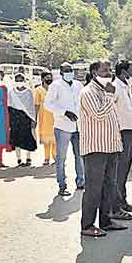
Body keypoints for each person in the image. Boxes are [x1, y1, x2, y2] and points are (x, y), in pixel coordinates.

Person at [78, 61, 127, 238]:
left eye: (109, 70)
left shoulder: (107, 90)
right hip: (95, 149)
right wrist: (108, 95)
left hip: (111, 147)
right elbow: (98, 114)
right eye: (104, 70)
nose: (108, 73)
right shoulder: (88, 92)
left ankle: (105, 221)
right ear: (93, 72)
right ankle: (87, 225)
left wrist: (117, 144)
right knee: (94, 188)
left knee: (109, 186)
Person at [45, 62, 84, 196]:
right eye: (66, 70)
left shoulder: (78, 85)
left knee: (80, 156)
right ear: (61, 73)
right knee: (61, 158)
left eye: (71, 70)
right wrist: (64, 112)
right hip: (63, 127)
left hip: (78, 126)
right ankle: (62, 185)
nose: (69, 72)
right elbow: (47, 104)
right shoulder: (55, 86)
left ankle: (81, 182)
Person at [113, 60, 132, 218]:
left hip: (130, 132)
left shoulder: (126, 87)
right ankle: (116, 207)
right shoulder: (116, 87)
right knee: (119, 170)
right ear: (123, 72)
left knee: (125, 170)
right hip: (121, 133)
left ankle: (122, 201)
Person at [8, 73, 37, 167]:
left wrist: (33, 119)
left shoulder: (29, 92)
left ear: (24, 81)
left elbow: (31, 106)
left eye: (21, 80)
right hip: (15, 117)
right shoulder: (11, 92)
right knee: (16, 139)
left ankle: (28, 158)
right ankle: (19, 159)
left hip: (26, 117)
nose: (19, 82)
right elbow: (9, 106)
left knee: (28, 137)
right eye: (17, 80)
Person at [34, 72, 56, 165]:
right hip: (44, 116)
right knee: (46, 138)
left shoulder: (55, 89)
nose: (49, 79)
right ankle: (46, 158)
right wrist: (34, 118)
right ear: (42, 79)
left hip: (55, 116)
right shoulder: (38, 90)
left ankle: (55, 156)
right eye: (47, 77)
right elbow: (37, 105)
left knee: (55, 138)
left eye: (50, 77)